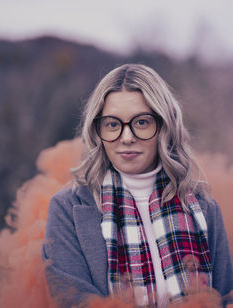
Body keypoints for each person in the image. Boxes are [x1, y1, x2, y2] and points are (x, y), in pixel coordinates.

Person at [42, 64, 232, 307]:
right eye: (112, 124)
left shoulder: (203, 207)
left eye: (141, 122)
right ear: (97, 131)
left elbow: (224, 297)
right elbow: (72, 300)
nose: (127, 137)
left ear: (164, 126)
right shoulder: (68, 208)